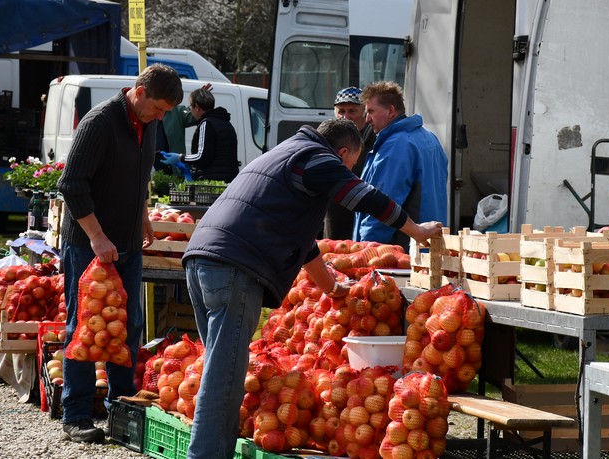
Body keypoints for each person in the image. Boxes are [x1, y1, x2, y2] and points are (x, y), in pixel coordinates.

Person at [182, 118, 444, 459]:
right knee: (226, 379)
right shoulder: (316, 158)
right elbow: (366, 197)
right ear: (343, 152)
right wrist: (415, 229)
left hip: (203, 258)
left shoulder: (285, 154)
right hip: (235, 266)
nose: (349, 172)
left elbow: (304, 244)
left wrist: (332, 287)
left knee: (221, 370)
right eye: (350, 165)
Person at [56, 63, 183, 444]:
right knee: (84, 328)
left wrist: (142, 213)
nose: (162, 117)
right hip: (88, 246)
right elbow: (72, 185)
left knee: (128, 328)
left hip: (126, 244)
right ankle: (76, 415)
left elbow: (137, 175)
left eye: (166, 112)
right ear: (139, 93)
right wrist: (96, 237)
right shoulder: (99, 123)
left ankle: (120, 409)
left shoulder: (149, 122)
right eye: (159, 108)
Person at [354, 81, 448, 250]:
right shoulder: (429, 138)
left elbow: (382, 206)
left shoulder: (396, 146)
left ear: (391, 111)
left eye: (371, 111)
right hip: (428, 246)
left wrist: (367, 249)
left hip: (399, 253)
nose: (367, 119)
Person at [322, 86, 375, 240]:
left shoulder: (375, 141)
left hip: (364, 222)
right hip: (334, 224)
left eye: (352, 111)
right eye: (342, 111)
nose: (346, 116)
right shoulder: (328, 138)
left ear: (364, 113)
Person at [163, 86, 239, 182]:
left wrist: (179, 157)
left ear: (197, 108)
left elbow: (201, 156)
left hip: (211, 180)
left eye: (191, 107)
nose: (190, 110)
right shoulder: (226, 123)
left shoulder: (206, 124)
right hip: (229, 180)